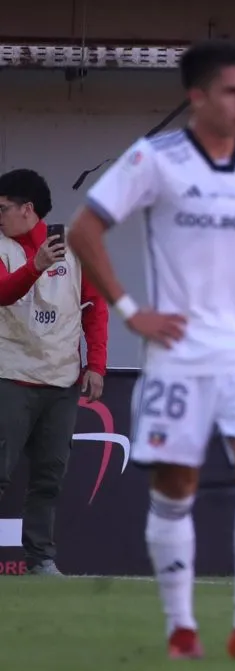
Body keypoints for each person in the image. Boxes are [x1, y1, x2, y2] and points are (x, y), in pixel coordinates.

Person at [67, 40, 235, 659]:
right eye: (232, 91)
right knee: (177, 485)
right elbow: (84, 229)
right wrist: (131, 311)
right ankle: (181, 628)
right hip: (179, 351)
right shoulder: (156, 159)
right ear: (197, 96)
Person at [0, 169, 108, 576]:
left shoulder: (75, 246)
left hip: (62, 381)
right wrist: (36, 266)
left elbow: (96, 308)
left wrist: (96, 365)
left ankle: (40, 560)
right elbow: (3, 292)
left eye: (3, 208)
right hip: (10, 375)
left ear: (27, 209)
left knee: (49, 477)